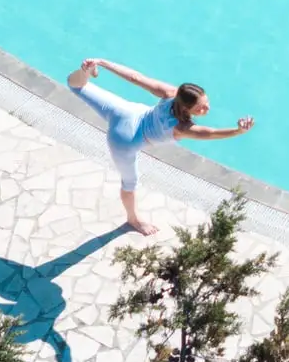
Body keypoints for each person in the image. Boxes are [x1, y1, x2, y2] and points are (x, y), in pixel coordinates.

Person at [66, 57, 255, 234]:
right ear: (185, 108)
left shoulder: (172, 94)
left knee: (77, 86)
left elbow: (136, 78)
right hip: (125, 140)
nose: (207, 109)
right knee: (129, 183)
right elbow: (211, 133)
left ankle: (87, 69)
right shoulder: (182, 127)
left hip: (127, 113)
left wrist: (102, 62)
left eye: (206, 103)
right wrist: (238, 131)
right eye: (201, 107)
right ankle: (133, 219)